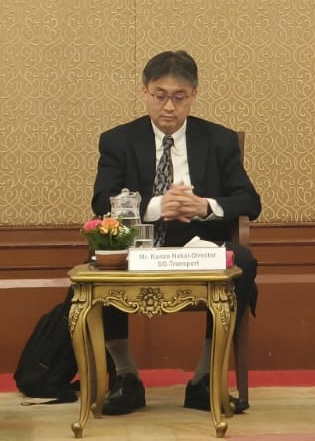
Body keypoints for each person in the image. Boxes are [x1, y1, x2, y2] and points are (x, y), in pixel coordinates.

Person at [89, 50, 262, 415]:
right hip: (139, 242)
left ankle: (204, 380)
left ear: (193, 95)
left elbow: (249, 201)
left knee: (243, 260)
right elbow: (102, 200)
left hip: (199, 242)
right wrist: (156, 207)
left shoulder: (218, 140)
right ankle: (126, 377)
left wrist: (204, 206)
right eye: (160, 95)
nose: (168, 107)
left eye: (179, 97)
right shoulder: (118, 140)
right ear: (145, 92)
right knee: (100, 261)